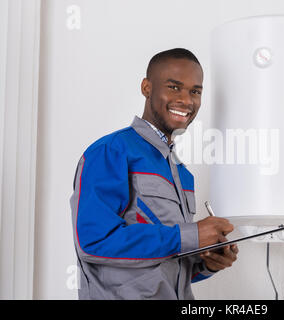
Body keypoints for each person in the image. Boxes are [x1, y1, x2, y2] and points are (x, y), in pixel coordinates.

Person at [69, 48, 238, 300]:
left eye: (195, 91)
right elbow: (94, 243)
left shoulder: (182, 173)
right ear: (146, 87)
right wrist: (190, 235)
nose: (186, 100)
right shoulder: (111, 151)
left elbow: (163, 264)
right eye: (174, 87)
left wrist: (207, 263)